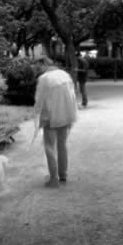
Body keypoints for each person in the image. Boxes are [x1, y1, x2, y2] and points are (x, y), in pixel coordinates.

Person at [33, 60, 78, 188]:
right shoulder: (65, 75)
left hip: (50, 117)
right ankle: (63, 174)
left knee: (49, 146)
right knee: (62, 145)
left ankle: (53, 178)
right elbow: (73, 96)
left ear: (44, 66)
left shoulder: (44, 78)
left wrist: (37, 116)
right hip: (66, 115)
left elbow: (39, 100)